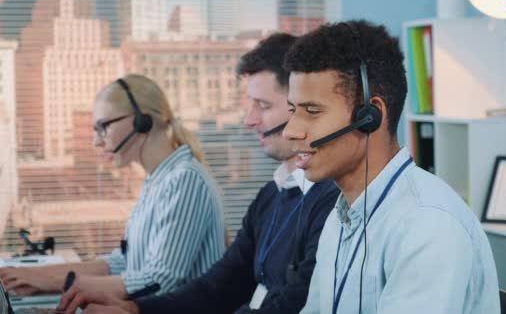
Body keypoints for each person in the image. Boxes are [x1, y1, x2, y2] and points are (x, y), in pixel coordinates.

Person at [57, 33, 340, 314]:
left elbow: (294, 305)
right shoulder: (271, 197)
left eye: (263, 106)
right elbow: (221, 284)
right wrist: (134, 310)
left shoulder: (332, 203)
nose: (249, 119)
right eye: (250, 104)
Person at [282, 20, 500, 313]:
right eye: (293, 110)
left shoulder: (426, 224)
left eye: (312, 112)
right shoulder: (341, 218)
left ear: (370, 115)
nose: (290, 130)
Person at [0, 74, 225, 300]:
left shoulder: (185, 180)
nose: (97, 141)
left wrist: (59, 283)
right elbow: (125, 263)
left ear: (141, 121)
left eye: (103, 127)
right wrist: (31, 275)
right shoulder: (157, 181)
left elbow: (158, 280)